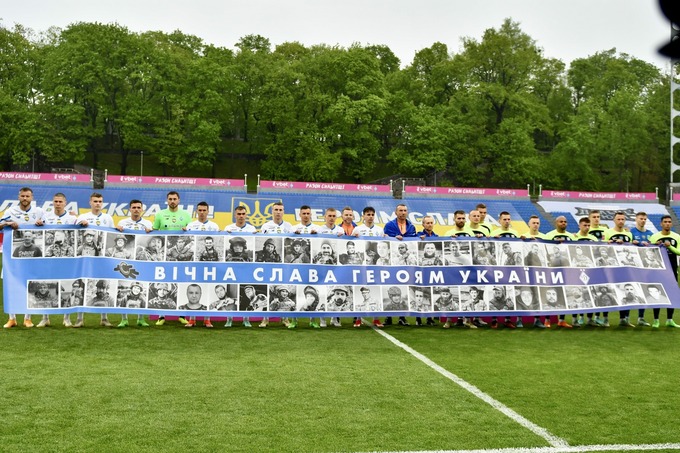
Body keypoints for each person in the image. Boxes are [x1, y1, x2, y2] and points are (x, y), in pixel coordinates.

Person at [1, 187, 45, 328]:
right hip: (13, 256)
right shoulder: (10, 211)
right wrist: (7, 223)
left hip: (32, 256)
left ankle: (28, 318)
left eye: (27, 196)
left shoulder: (39, 212)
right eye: (23, 196)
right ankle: (12, 318)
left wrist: (42, 224)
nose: (25, 198)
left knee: (30, 285)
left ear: (32, 197)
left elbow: (47, 227)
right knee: (11, 285)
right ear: (19, 197)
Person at [74, 193, 114, 328]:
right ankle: (79, 319)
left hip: (101, 261)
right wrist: (80, 223)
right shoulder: (83, 217)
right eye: (95, 201)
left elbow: (111, 234)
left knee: (103, 285)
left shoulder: (107, 218)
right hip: (84, 262)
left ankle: (104, 318)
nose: (98, 203)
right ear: (90, 202)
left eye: (100, 201)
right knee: (82, 286)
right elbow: (75, 228)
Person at [40, 192, 79, 327]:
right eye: (55, 201)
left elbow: (81, 227)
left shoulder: (72, 218)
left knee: (66, 290)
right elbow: (46, 254)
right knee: (48, 288)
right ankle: (45, 318)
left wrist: (81, 220)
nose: (58, 204)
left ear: (65, 203)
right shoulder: (46, 217)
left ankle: (66, 318)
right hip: (51, 267)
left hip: (66, 268)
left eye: (60, 202)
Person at [153, 191, 192, 326]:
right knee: (164, 281)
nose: (172, 201)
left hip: (181, 259)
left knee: (181, 282)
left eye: (175, 199)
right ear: (167, 200)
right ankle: (161, 316)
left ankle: (181, 315)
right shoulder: (160, 214)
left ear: (179, 200)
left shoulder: (186, 215)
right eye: (170, 199)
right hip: (166, 257)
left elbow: (192, 232)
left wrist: (187, 230)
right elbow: (155, 232)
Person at [258, 201, 294, 328]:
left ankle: (285, 319)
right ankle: (265, 319)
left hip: (283, 267)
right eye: (276, 210)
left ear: (283, 212)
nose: (278, 212)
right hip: (267, 268)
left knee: (284, 290)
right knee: (268, 291)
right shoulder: (266, 226)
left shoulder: (289, 226)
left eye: (280, 210)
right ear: (272, 211)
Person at [383, 204, 416, 326]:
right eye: (400, 210)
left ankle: (402, 317)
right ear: (396, 212)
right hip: (392, 264)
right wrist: (393, 238)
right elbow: (385, 239)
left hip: (407, 267)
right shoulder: (389, 225)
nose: (403, 212)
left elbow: (415, 240)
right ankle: (388, 317)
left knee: (404, 287)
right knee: (391, 285)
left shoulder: (411, 226)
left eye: (405, 210)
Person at [603, 212, 635, 327]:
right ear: (614, 220)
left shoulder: (629, 234)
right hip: (611, 267)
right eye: (618, 219)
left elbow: (631, 250)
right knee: (608, 290)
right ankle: (605, 318)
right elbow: (602, 248)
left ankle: (624, 318)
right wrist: (609, 244)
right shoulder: (607, 232)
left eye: (622, 219)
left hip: (625, 268)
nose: (621, 221)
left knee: (625, 291)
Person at [649, 215, 680, 328]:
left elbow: (679, 251)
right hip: (658, 270)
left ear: (671, 224)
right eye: (665, 222)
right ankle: (656, 320)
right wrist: (655, 246)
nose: (667, 223)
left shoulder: (677, 237)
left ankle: (669, 320)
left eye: (669, 222)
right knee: (656, 293)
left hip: (672, 270)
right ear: (661, 224)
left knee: (671, 294)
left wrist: (670, 246)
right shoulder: (654, 237)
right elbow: (649, 253)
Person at [630, 211, 653, 326]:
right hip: (633, 266)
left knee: (644, 290)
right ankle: (626, 318)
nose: (643, 221)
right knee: (630, 288)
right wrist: (632, 243)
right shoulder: (631, 232)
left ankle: (641, 317)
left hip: (645, 267)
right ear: (636, 219)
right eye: (641, 218)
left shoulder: (650, 234)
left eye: (644, 219)